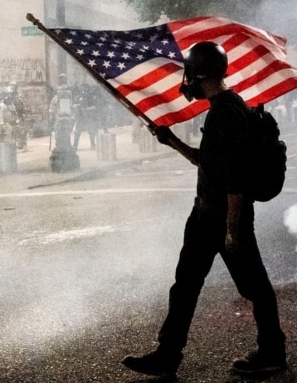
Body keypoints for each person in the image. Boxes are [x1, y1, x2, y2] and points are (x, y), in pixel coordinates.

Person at [123, 41, 287, 379]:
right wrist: (171, 141)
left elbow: (235, 181)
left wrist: (232, 230)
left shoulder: (224, 114)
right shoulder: (227, 107)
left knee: (255, 286)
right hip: (205, 215)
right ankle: (167, 354)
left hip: (221, 217)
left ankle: (272, 352)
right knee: (185, 285)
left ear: (200, 75)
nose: (187, 83)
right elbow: (209, 163)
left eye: (190, 76)